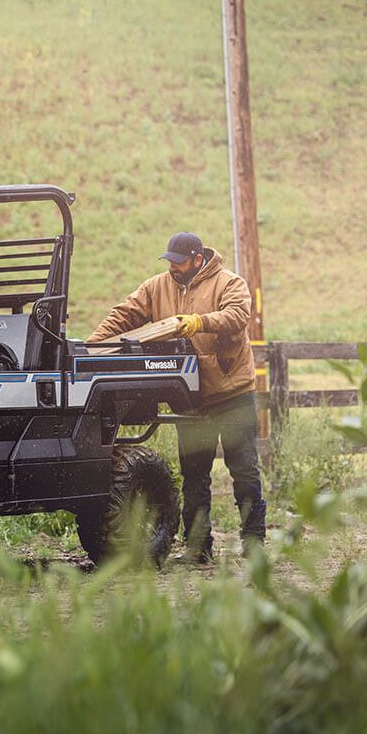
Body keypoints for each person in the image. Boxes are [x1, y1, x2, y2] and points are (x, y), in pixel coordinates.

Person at [88, 232, 267, 561]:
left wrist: (199, 322)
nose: (172, 267)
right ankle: (199, 549)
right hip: (191, 399)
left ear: (198, 260)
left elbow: (237, 317)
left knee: (244, 472)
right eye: (169, 261)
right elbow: (124, 314)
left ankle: (254, 544)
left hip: (232, 394)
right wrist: (92, 347)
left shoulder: (230, 284)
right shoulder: (157, 287)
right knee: (194, 477)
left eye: (178, 261)